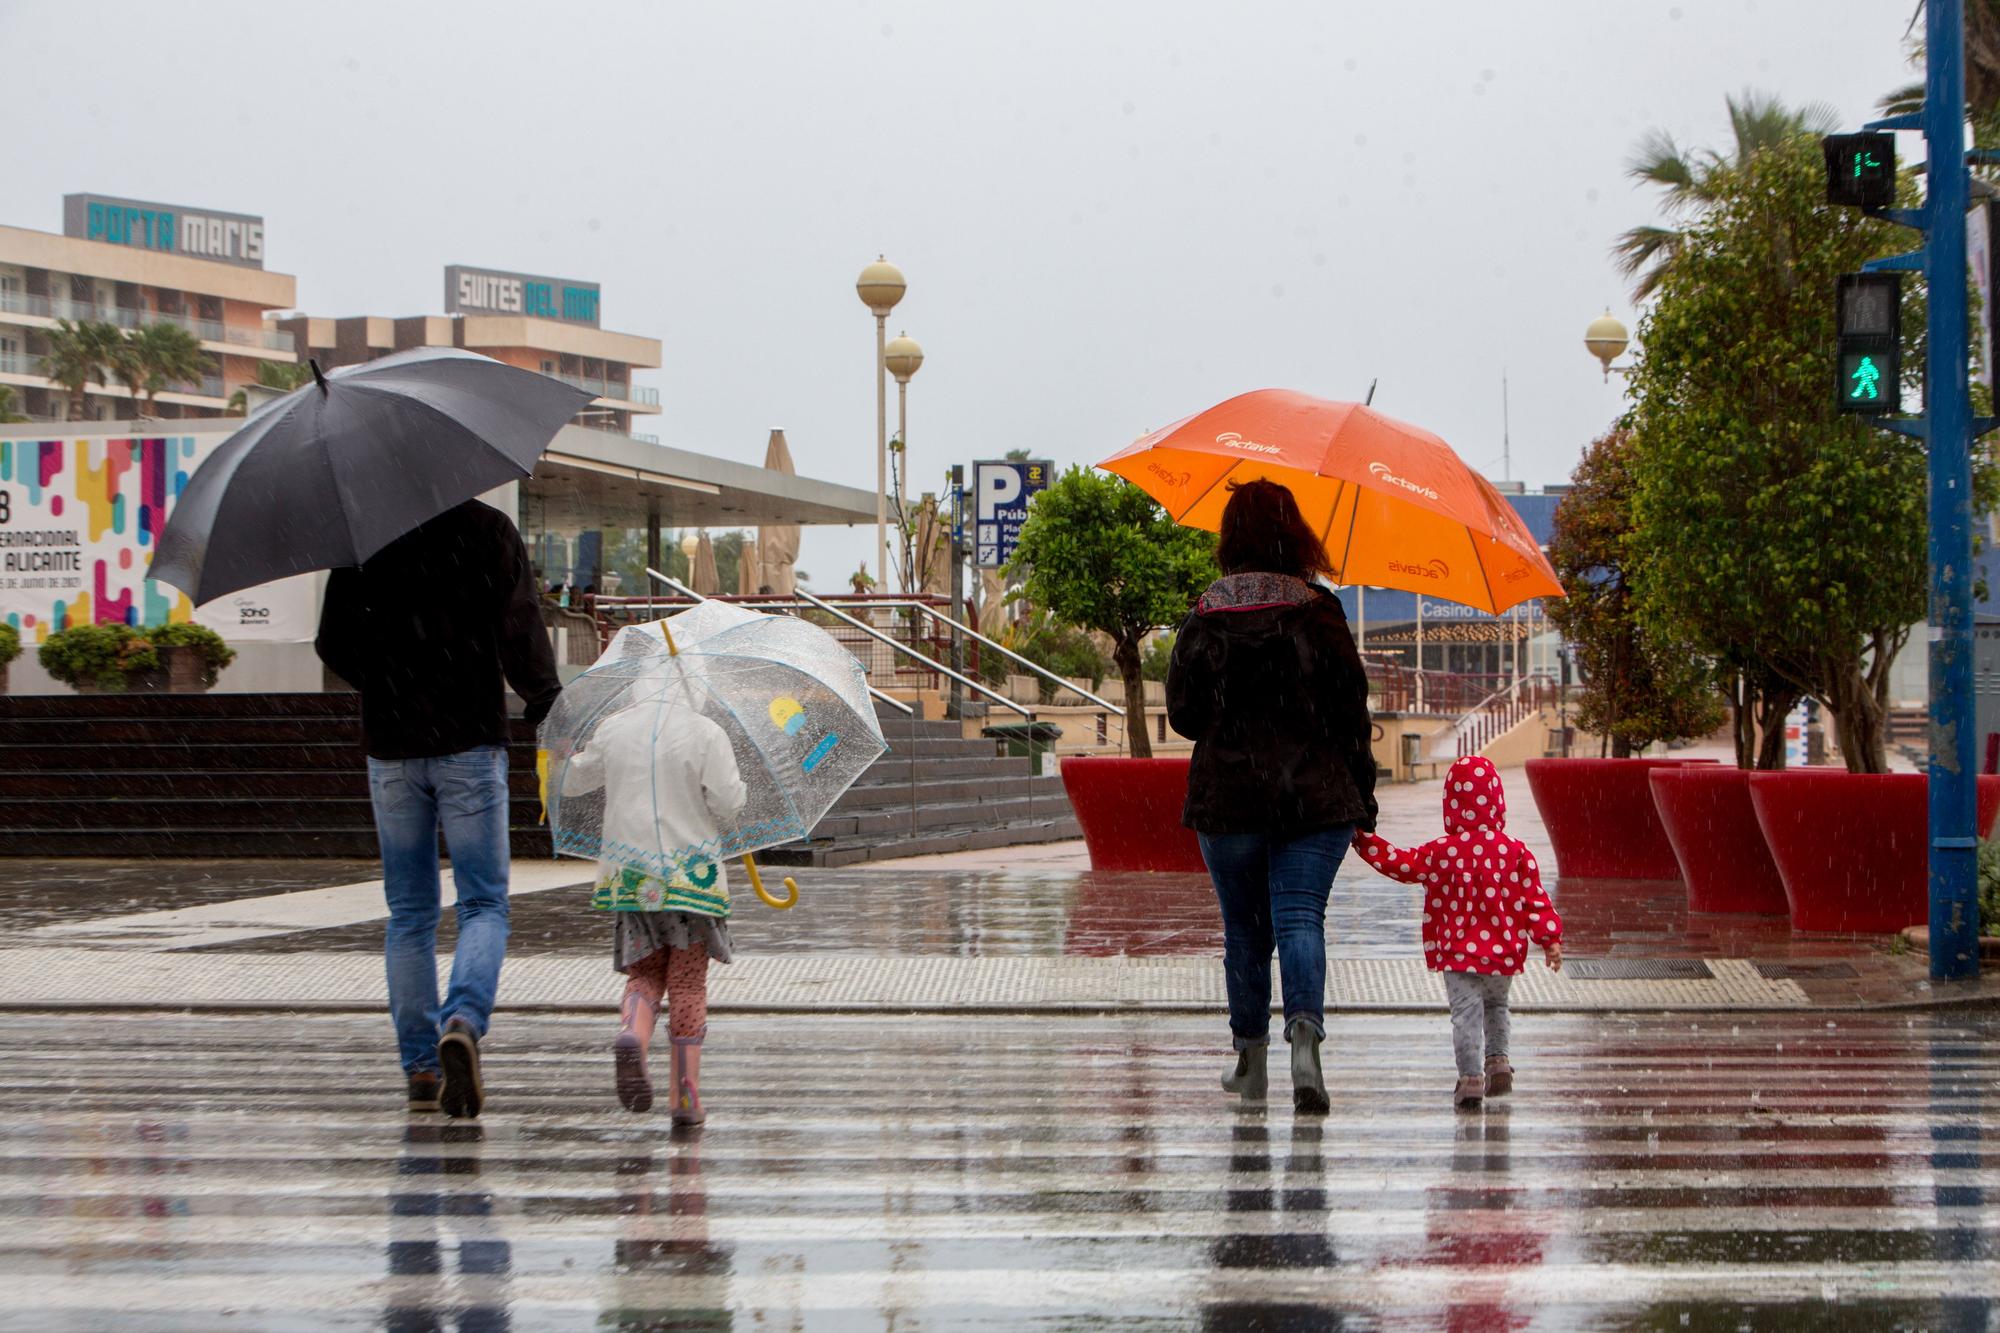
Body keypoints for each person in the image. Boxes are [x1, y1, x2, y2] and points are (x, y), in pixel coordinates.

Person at [316, 499, 562, 1119]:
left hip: (392, 745)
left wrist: (387, 679)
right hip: (469, 742)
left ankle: (422, 1067)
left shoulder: (363, 536)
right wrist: (544, 699)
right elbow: (518, 625)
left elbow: (333, 643)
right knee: (482, 901)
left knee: (409, 913)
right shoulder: (486, 529)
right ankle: (464, 1019)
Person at [1167, 479, 1377, 1115]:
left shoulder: (1206, 614)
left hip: (1230, 798)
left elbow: (1184, 715)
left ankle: (1250, 1061)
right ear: (1297, 533)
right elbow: (1351, 711)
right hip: (1315, 798)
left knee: (1246, 931)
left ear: (1231, 537)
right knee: (1299, 918)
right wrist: (1361, 792)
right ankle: (1305, 1043)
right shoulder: (1319, 610)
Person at [561, 693, 748, 1122]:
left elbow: (574, 781)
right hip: (691, 880)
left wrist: (561, 755)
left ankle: (633, 1033)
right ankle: (685, 1096)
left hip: (630, 875)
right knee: (687, 984)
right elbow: (729, 803)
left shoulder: (615, 726)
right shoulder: (706, 732)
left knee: (645, 973)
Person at [1352, 757, 1563, 1108]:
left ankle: (1470, 1079)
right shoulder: (1516, 852)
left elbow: (1400, 864)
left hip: (1459, 951)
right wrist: (1549, 939)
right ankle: (1498, 1065)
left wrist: (1363, 841)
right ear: (1498, 800)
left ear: (1451, 803)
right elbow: (1535, 899)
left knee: (1465, 1014)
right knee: (1497, 1006)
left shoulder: (1442, 852)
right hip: (1503, 953)